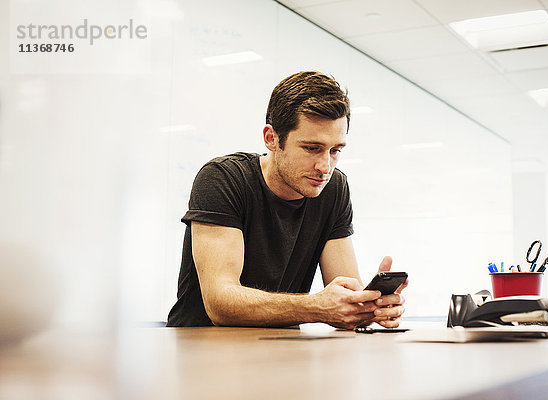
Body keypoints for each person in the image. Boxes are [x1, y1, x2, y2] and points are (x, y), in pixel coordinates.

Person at [167, 71, 407, 329]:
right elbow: (220, 303)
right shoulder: (223, 179)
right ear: (272, 138)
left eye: (335, 150)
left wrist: (368, 305)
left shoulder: (333, 188)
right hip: (202, 353)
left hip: (281, 350)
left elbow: (345, 294)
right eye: (312, 148)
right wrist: (317, 307)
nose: (325, 166)